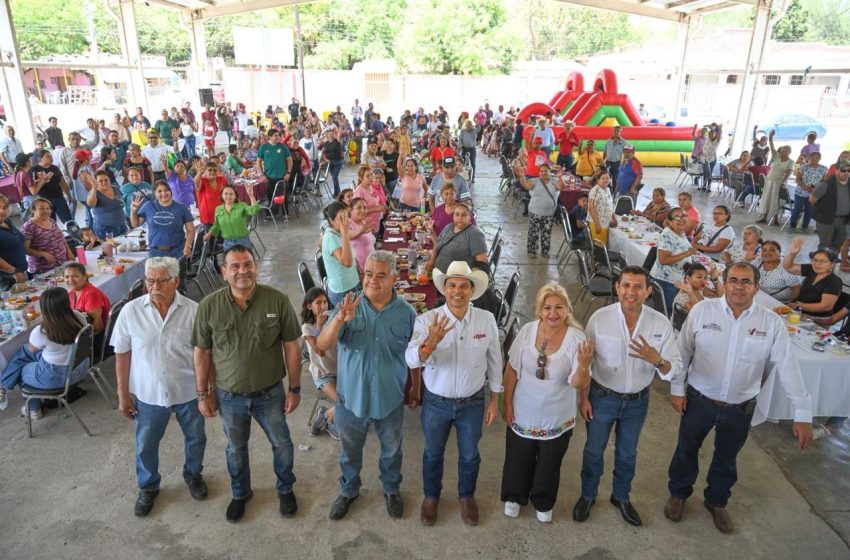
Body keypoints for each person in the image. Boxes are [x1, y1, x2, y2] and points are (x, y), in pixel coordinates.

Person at [665, 262, 813, 534]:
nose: (739, 286)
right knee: (686, 449)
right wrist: (677, 389)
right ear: (724, 283)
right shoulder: (702, 310)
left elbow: (788, 366)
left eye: (746, 281)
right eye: (733, 280)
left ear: (757, 287)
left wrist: (802, 412)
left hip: (740, 407)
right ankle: (678, 493)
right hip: (699, 399)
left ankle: (716, 501)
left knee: (727, 457)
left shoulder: (771, 322)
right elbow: (682, 352)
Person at [192, 245, 302, 523]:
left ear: (256, 266)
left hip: (270, 393)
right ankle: (241, 493)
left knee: (282, 444)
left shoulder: (276, 301)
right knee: (235, 449)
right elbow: (202, 352)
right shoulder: (209, 306)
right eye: (235, 266)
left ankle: (285, 489)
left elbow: (291, 346)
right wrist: (203, 394)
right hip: (230, 397)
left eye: (248, 264)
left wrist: (295, 388)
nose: (243, 271)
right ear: (224, 272)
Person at [574, 266, 682, 526]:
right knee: (593, 451)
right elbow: (585, 362)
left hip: (637, 401)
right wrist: (583, 398)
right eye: (626, 285)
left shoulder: (660, 323)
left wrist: (656, 360)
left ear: (648, 291)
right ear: (617, 288)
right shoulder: (600, 319)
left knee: (627, 453)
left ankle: (621, 497)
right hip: (602, 397)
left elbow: (675, 368)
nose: (631, 292)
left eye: (637, 287)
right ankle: (588, 495)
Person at [316, 251, 417, 521]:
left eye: (381, 275)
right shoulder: (349, 306)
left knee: (392, 450)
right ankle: (348, 490)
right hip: (351, 399)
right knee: (349, 451)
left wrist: (415, 388)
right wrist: (339, 319)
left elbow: (415, 356)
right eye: (369, 274)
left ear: (394, 278)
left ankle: (391, 489)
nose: (372, 280)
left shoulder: (407, 314)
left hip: (389, 399)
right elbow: (322, 345)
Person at [405, 261, 503, 526]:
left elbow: (495, 360)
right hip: (436, 402)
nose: (457, 291)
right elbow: (411, 359)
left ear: (472, 290)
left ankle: (466, 496)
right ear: (444, 289)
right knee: (432, 453)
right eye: (452, 285)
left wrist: (495, 399)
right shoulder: (427, 320)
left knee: (470, 455)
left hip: (473, 402)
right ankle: (431, 497)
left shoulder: (486, 320)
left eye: (463, 286)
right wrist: (430, 342)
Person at [110, 257, 207, 517]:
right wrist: (122, 394)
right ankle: (148, 486)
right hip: (148, 393)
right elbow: (122, 354)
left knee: (196, 437)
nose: (154, 287)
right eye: (150, 281)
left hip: (187, 390)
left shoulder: (194, 310)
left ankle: (193, 474)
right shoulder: (131, 311)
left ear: (176, 281)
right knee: (146, 444)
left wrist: (206, 391)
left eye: (161, 281)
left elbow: (203, 354)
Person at [500, 284, 593, 522]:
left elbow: (578, 383)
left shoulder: (577, 338)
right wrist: (506, 403)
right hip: (524, 409)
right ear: (539, 311)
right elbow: (511, 369)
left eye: (559, 307)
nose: (553, 313)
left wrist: (583, 365)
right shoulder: (528, 330)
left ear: (567, 309)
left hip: (556, 413)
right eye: (547, 307)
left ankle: (543, 500)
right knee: (518, 457)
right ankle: (514, 497)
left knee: (549, 462)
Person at [0, 288, 89, 418]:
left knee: (21, 368)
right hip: (81, 366)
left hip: (58, 378)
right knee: (24, 351)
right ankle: (3, 385)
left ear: (44, 308)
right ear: (67, 302)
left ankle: (33, 409)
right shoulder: (79, 317)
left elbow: (32, 349)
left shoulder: (42, 331)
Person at [301, 288, 340, 440]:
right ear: (309, 306)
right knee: (345, 405)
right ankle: (328, 419)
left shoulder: (333, 321)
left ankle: (325, 413)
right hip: (323, 374)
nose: (323, 306)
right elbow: (320, 351)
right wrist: (319, 326)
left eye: (325, 302)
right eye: (318, 303)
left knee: (360, 400)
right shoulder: (307, 328)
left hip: (340, 371)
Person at [130, 180, 195, 259]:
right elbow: (135, 224)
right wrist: (133, 212)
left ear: (170, 191)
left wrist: (188, 246)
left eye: (166, 190)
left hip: (177, 252)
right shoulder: (148, 206)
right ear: (155, 193)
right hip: (155, 253)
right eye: (159, 191)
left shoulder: (181, 208)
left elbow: (191, 230)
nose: (163, 193)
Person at [650, 207, 697, 313]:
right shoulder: (667, 235)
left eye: (684, 216)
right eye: (677, 217)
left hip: (677, 279)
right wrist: (687, 253)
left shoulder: (680, 232)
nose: (682, 219)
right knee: (666, 311)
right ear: (670, 221)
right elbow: (663, 260)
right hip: (666, 281)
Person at [783, 240, 842, 318]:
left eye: (822, 261)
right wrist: (792, 253)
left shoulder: (834, 281)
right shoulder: (811, 270)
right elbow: (788, 267)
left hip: (816, 318)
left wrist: (797, 305)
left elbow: (825, 306)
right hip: (798, 311)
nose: (817, 264)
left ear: (832, 264)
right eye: (815, 260)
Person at [517, 163, 565, 258]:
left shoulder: (555, 181)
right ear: (539, 173)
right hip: (534, 212)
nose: (543, 173)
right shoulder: (534, 181)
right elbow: (525, 186)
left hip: (549, 214)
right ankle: (532, 251)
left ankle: (545, 252)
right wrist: (522, 176)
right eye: (541, 171)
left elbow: (561, 187)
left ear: (550, 172)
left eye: (546, 171)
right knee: (533, 233)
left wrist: (560, 177)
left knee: (546, 233)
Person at [424, 203, 487, 274]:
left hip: (457, 278)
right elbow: (437, 244)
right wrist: (432, 261)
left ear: (469, 217)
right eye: (457, 214)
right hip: (437, 273)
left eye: (464, 215)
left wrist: (469, 279)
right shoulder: (448, 227)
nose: (460, 217)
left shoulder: (475, 234)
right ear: (453, 216)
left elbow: (481, 262)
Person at [322, 202, 360, 306]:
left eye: (347, 216)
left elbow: (350, 253)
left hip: (352, 283)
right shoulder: (331, 238)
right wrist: (346, 234)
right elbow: (347, 262)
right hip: (343, 290)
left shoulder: (338, 232)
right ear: (331, 221)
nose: (346, 221)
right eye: (341, 218)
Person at [21, 198, 73, 273]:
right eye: (41, 208)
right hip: (43, 269)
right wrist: (43, 254)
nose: (46, 211)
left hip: (63, 263)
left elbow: (61, 238)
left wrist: (69, 252)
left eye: (48, 208)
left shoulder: (51, 220)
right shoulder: (28, 227)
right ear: (33, 210)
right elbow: (25, 249)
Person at [809, 161, 850, 253]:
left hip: (844, 221)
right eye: (843, 170)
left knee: (838, 245)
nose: (846, 173)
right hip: (826, 221)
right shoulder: (826, 184)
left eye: (848, 170)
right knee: (825, 246)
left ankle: (832, 261)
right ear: (836, 170)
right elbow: (812, 200)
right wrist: (824, 210)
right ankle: (821, 262)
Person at [63, 262, 110, 340]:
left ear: (85, 276)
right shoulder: (72, 292)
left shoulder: (91, 295)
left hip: (96, 338)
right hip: (82, 330)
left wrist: (76, 339)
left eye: (75, 276)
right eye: (66, 277)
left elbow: (98, 327)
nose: (70, 280)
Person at [203, 185, 259, 250]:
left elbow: (254, 210)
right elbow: (216, 227)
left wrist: (251, 195)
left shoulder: (241, 206)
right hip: (228, 243)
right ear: (222, 195)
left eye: (231, 194)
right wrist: (208, 234)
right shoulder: (218, 209)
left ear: (235, 196)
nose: (228, 196)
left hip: (243, 242)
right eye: (226, 194)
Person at [757, 131, 794, 224]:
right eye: (782, 150)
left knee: (776, 201)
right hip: (769, 180)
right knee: (766, 199)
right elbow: (772, 147)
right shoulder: (777, 156)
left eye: (786, 151)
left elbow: (789, 173)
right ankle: (764, 217)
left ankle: (775, 219)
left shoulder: (791, 162)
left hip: (779, 183)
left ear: (789, 152)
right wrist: (770, 138)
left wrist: (783, 182)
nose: (783, 152)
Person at [31, 150, 73, 224]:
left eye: (51, 156)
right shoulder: (34, 170)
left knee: (68, 220)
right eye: (48, 157)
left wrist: (69, 196)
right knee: (50, 223)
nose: (51, 158)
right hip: (45, 200)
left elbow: (63, 183)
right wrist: (43, 180)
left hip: (59, 198)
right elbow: (33, 188)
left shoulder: (55, 168)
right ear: (40, 159)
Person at [790, 152, 827, 233]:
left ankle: (804, 227)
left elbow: (824, 181)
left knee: (809, 211)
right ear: (810, 158)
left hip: (814, 194)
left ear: (819, 158)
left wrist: (814, 188)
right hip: (800, 192)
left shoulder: (824, 168)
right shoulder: (803, 167)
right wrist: (805, 187)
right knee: (797, 209)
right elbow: (798, 179)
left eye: (817, 157)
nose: (815, 159)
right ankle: (792, 226)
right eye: (813, 157)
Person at [0, 194, 29, 289]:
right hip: (8, 279)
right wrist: (14, 272)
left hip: (22, 273)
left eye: (4, 207)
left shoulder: (7, 221)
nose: (2, 211)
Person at [87, 170, 128, 239]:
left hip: (122, 227)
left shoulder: (115, 188)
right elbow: (91, 204)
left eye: (106, 180)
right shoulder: (94, 192)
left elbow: (121, 202)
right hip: (105, 230)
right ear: (96, 182)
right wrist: (94, 188)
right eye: (101, 181)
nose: (104, 182)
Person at [586, 171, 616, 244]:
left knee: (604, 245)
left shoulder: (608, 189)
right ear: (598, 180)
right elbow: (591, 207)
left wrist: (614, 218)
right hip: (596, 223)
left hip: (605, 223)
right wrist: (597, 224)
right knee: (599, 246)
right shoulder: (595, 190)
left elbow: (609, 206)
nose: (605, 180)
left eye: (607, 178)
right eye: (603, 178)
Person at [193, 162, 225, 227]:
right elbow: (194, 182)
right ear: (205, 171)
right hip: (208, 217)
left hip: (221, 214)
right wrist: (199, 173)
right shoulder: (203, 180)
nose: (212, 171)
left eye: (215, 170)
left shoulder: (221, 179)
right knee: (209, 233)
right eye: (210, 170)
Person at [348, 197, 375, 271]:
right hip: (360, 269)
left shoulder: (363, 222)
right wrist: (361, 231)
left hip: (371, 265)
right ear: (351, 210)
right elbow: (348, 235)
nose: (363, 210)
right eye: (359, 207)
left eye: (365, 208)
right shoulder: (348, 223)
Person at [698, 126, 721, 192]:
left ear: (715, 135)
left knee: (709, 173)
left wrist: (717, 128)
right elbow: (704, 147)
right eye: (710, 134)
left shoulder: (716, 141)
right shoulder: (707, 139)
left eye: (712, 134)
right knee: (705, 173)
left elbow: (719, 136)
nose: (711, 135)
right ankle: (704, 186)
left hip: (712, 159)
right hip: (705, 158)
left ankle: (708, 187)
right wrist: (700, 152)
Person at [322, 129, 345, 196]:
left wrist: (339, 131)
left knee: (334, 177)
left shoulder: (337, 141)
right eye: (329, 134)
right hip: (330, 163)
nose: (331, 135)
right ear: (327, 135)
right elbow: (323, 152)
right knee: (334, 177)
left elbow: (339, 136)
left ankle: (336, 192)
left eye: (332, 134)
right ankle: (339, 191)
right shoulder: (326, 143)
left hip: (337, 162)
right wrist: (325, 159)